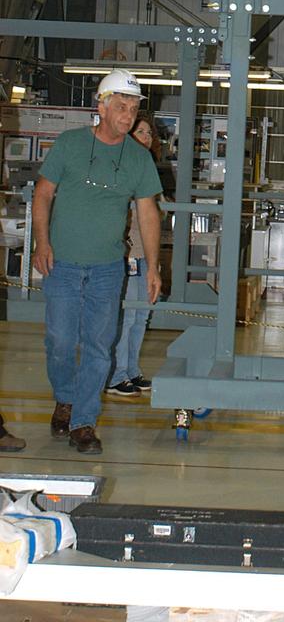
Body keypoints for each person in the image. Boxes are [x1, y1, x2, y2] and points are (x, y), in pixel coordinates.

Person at [32, 71, 163, 454]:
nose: (129, 114)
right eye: (121, 106)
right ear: (101, 106)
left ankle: (84, 421)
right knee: (59, 341)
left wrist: (153, 266)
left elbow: (148, 213)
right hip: (63, 263)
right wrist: (43, 242)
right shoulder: (70, 145)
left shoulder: (138, 158)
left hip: (108, 268)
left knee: (99, 347)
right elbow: (43, 194)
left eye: (135, 107)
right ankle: (66, 398)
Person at [106, 113, 168, 398]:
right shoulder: (121, 168)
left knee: (142, 314)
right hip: (129, 252)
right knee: (127, 316)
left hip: (146, 255)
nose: (146, 138)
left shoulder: (148, 170)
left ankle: (132, 369)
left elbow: (158, 210)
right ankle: (115, 374)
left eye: (149, 134)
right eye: (141, 133)